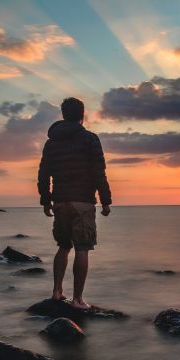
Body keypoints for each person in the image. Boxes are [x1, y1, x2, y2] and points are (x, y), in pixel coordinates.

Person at [38, 97, 112, 309]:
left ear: (63, 115)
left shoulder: (52, 142)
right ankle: (78, 299)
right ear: (82, 115)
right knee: (82, 248)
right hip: (83, 202)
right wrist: (105, 201)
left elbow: (44, 173)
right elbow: (99, 171)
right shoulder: (90, 139)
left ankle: (57, 292)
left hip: (60, 201)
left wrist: (46, 199)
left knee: (63, 246)